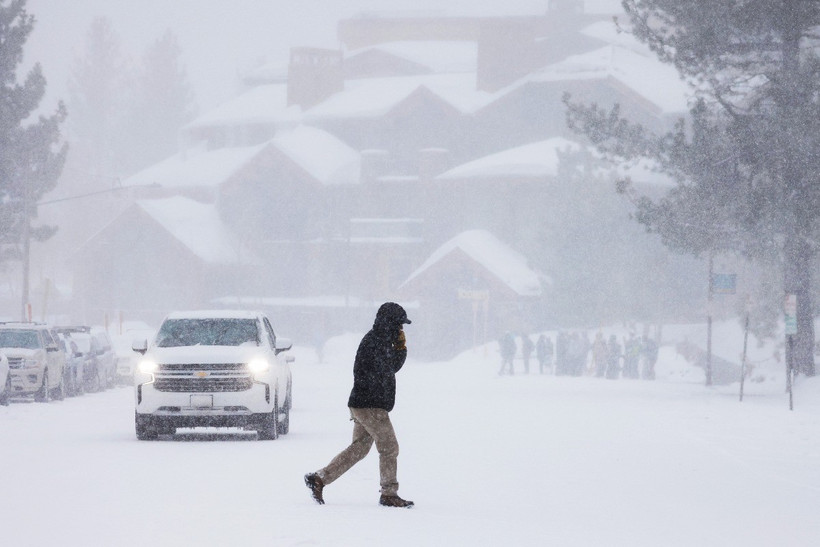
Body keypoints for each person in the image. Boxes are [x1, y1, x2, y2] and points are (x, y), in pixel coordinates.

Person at [304, 302, 414, 508]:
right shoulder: (377, 343)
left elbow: (387, 368)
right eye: (399, 324)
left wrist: (397, 348)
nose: (401, 329)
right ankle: (389, 493)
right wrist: (401, 349)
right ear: (390, 323)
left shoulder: (377, 340)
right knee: (389, 448)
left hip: (363, 403)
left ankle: (319, 478)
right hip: (371, 405)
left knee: (360, 448)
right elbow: (390, 368)